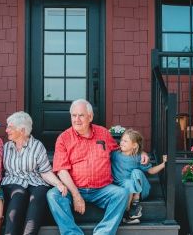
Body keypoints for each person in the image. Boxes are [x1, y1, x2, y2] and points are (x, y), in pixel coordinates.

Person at [46, 99, 149, 235]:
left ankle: (103, 232)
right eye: (74, 115)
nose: (77, 119)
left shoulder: (103, 133)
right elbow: (62, 170)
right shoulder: (64, 138)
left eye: (81, 115)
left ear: (90, 117)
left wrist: (141, 152)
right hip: (74, 188)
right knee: (53, 195)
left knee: (122, 194)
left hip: (102, 189)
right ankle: (72, 233)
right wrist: (76, 195)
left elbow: (120, 149)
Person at [2, 111, 68, 235]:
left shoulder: (37, 146)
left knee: (38, 196)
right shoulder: (6, 147)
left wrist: (58, 183)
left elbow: (45, 171)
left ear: (22, 130)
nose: (6, 130)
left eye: (10, 127)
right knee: (18, 197)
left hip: (35, 181)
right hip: (13, 182)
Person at [111, 128, 167, 224]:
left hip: (140, 191)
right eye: (122, 140)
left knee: (136, 172)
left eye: (125, 141)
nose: (121, 142)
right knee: (127, 186)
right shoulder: (115, 154)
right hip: (121, 188)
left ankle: (133, 205)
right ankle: (130, 214)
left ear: (134, 145)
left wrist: (164, 164)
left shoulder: (138, 158)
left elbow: (151, 171)